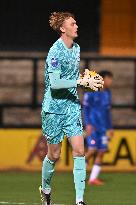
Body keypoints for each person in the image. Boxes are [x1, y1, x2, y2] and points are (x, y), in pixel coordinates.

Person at [40, 12, 103, 205]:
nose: (77, 26)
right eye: (73, 24)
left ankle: (79, 200)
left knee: (79, 151)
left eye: (76, 23)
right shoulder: (55, 52)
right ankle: (45, 188)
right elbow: (56, 83)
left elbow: (73, 77)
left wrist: (84, 77)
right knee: (54, 155)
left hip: (72, 107)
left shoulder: (76, 48)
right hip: (53, 109)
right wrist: (79, 81)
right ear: (62, 28)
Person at [83, 70, 113, 185]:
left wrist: (110, 128)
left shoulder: (107, 93)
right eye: (109, 79)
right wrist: (88, 124)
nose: (110, 82)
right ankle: (79, 175)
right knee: (92, 150)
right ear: (103, 78)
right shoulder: (91, 91)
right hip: (93, 127)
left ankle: (92, 179)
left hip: (103, 128)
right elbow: (85, 109)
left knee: (101, 151)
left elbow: (107, 112)